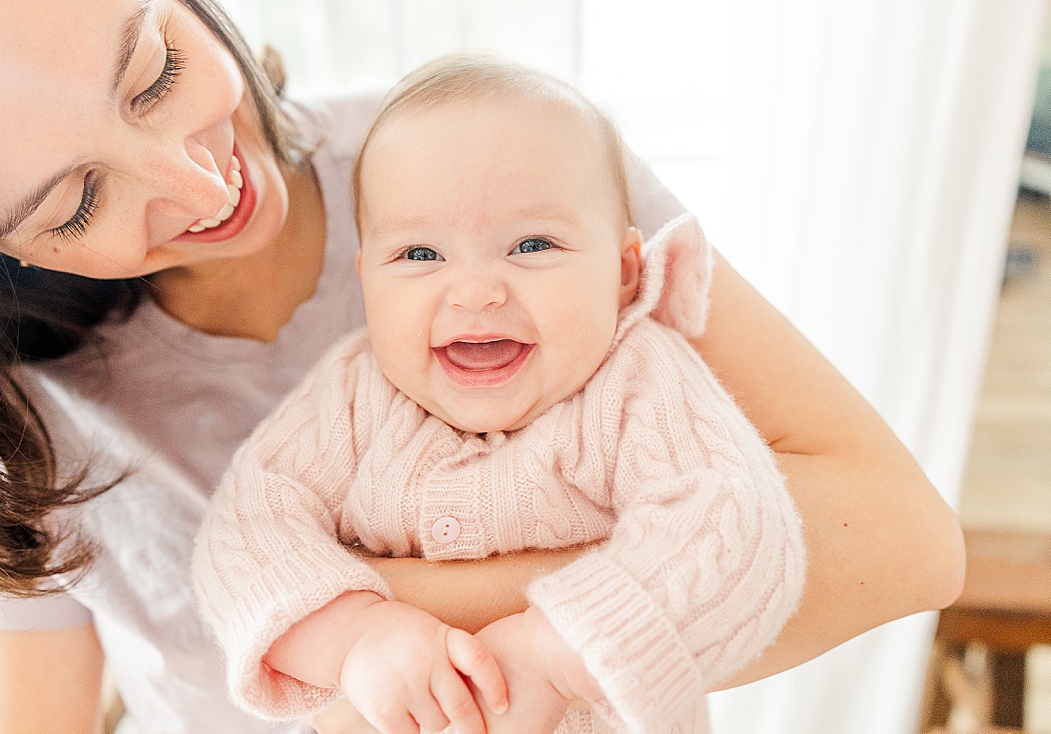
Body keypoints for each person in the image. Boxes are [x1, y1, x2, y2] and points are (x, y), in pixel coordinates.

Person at [0, 1, 964, 733]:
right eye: (77, 200)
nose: (198, 179)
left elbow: (901, 541)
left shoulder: (506, 166)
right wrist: (362, 637)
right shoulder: (20, 407)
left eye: (157, 72)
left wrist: (463, 623)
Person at [191, 54, 807, 734]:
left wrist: (559, 652)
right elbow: (245, 531)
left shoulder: (638, 381)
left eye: (533, 244)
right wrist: (353, 636)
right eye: (420, 255)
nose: (477, 290)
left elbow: (733, 521)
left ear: (625, 274)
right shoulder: (350, 395)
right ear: (367, 281)